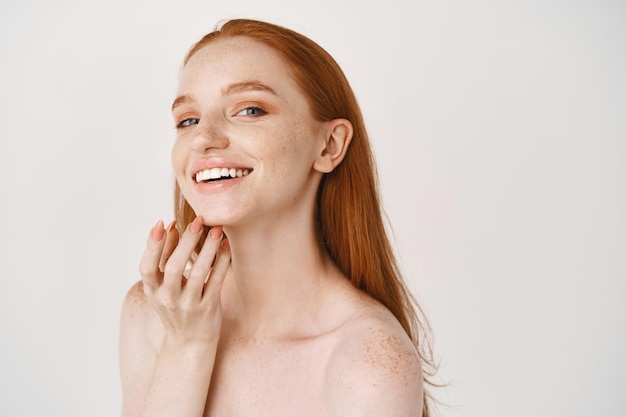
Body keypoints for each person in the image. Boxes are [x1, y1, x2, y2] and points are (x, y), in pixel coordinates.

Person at [119, 18, 436, 417]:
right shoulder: (151, 312)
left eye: (250, 109)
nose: (203, 138)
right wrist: (186, 347)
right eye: (188, 120)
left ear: (330, 145)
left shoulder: (370, 364)